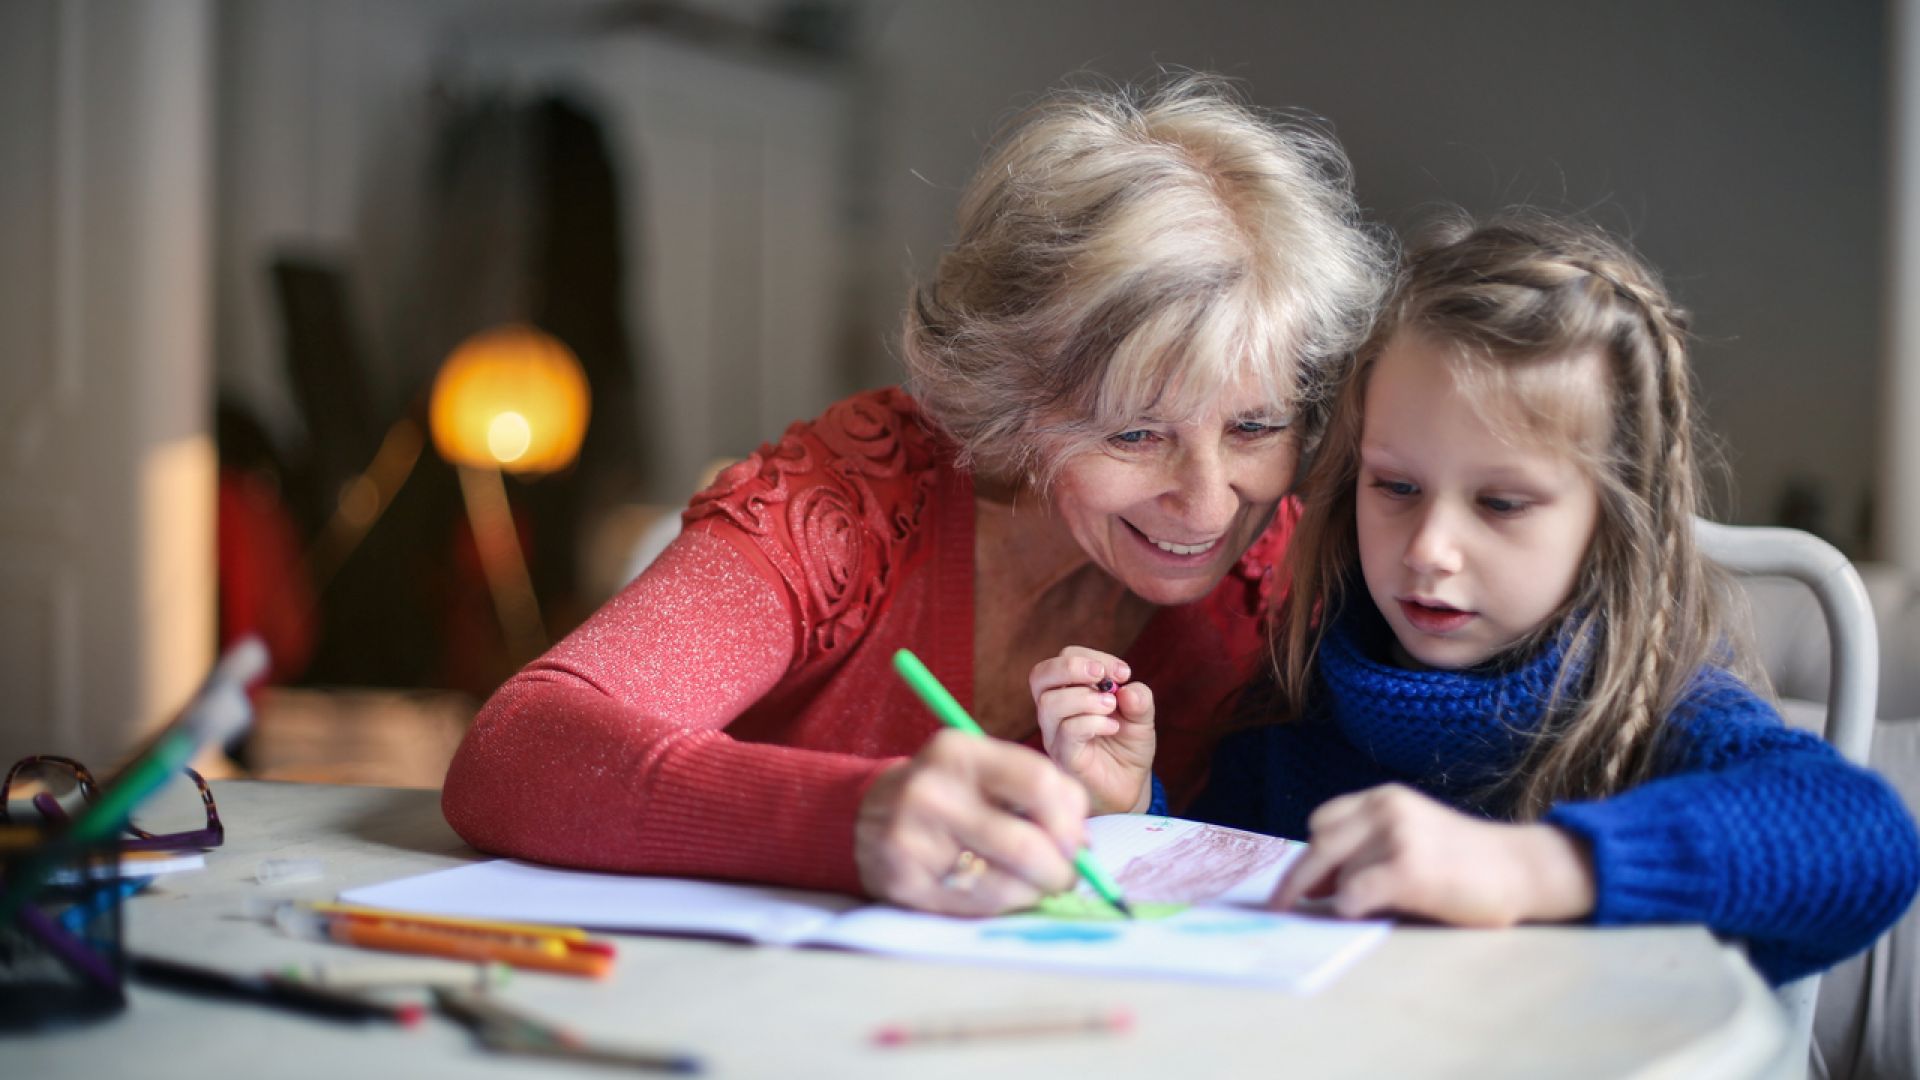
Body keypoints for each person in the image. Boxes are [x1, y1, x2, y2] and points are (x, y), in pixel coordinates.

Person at [440, 74, 1390, 915]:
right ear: (1019, 398)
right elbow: (517, 754)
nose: (1211, 506)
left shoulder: (1283, 570)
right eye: (1136, 432)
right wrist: (848, 820)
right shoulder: (856, 497)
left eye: (1256, 428)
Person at [1033, 212, 1920, 984]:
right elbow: (1228, 932)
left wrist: (1530, 870)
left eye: (1501, 503)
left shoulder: (1649, 716)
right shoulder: (1299, 704)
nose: (1429, 550)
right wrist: (1135, 817)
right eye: (1396, 488)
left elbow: (1865, 839)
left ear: (1612, 522)